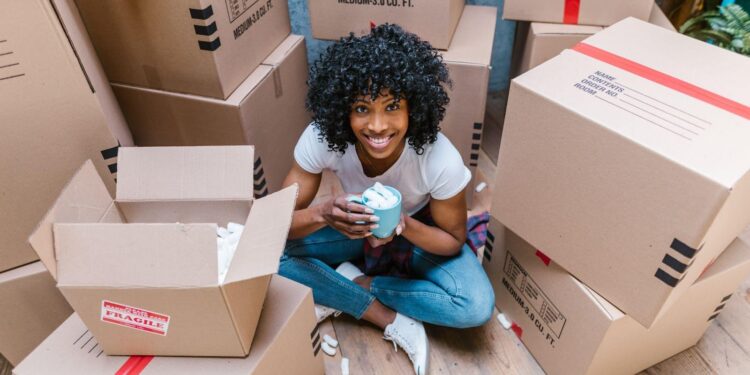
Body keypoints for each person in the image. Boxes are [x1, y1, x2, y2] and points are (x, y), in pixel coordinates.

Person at [279, 24, 494, 375]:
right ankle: (383, 315)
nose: (378, 126)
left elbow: (453, 240)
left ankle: (359, 282)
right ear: (342, 111)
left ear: (414, 107)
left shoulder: (439, 158)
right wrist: (322, 213)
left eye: (392, 106)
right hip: (352, 226)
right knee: (268, 257)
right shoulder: (322, 138)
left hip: (415, 229)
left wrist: (403, 225)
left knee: (474, 306)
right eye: (362, 108)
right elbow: (276, 223)